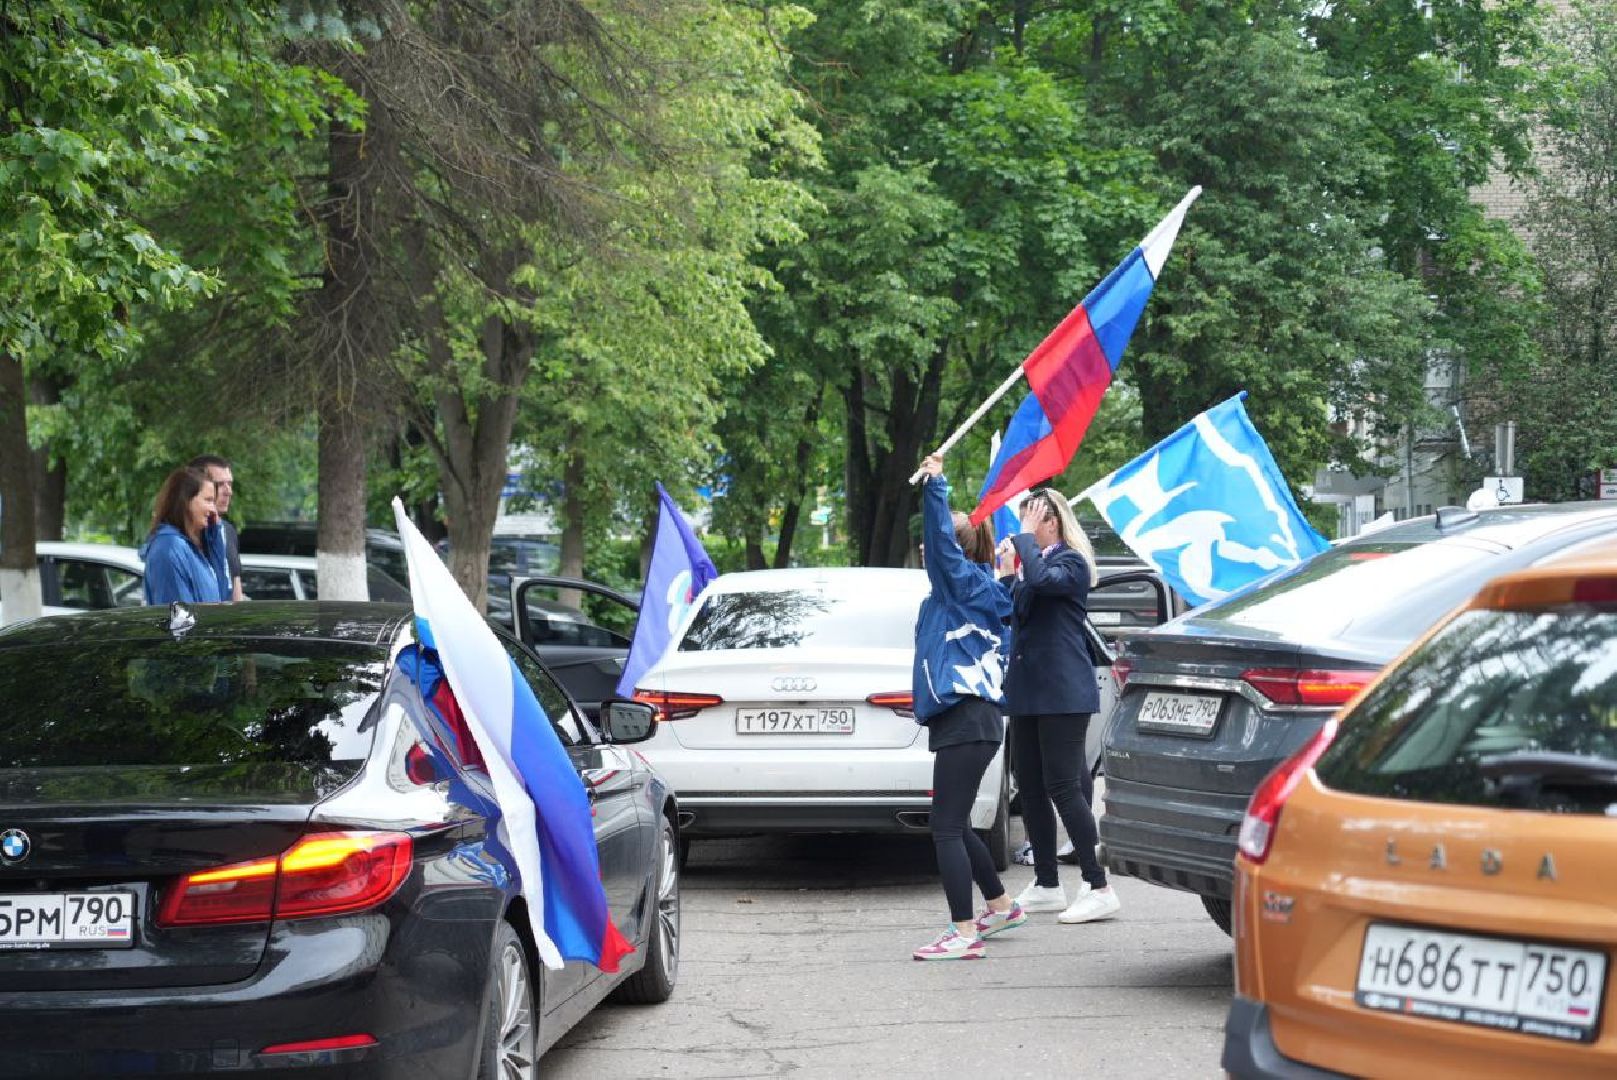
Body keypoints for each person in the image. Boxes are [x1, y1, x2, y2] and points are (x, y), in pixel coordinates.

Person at [909, 453, 1023, 961]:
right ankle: (998, 906)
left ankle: (961, 931)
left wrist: (935, 486)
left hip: (967, 717)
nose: (924, 549)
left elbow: (939, 543)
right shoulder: (969, 590)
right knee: (955, 822)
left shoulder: (960, 585)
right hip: (972, 720)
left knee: (945, 827)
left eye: (933, 545)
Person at [998, 486, 1120, 924]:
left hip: (1063, 691)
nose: (1024, 525)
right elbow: (1014, 611)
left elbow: (1047, 585)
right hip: (1029, 689)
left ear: (1053, 520)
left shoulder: (1072, 562)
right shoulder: (1035, 564)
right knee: (1027, 784)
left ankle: (1098, 884)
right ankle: (1047, 882)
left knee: (1064, 786)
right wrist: (1008, 572)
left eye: (1032, 517)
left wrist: (1025, 543)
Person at [141, 466, 231, 605]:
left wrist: (215, 535)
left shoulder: (197, 549)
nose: (213, 510)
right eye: (208, 500)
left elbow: (222, 598)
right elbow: (178, 619)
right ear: (186, 501)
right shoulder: (169, 549)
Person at [189, 454, 245, 600]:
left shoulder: (227, 531)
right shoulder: (179, 539)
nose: (228, 491)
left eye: (230, 484)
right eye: (220, 485)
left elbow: (236, 595)